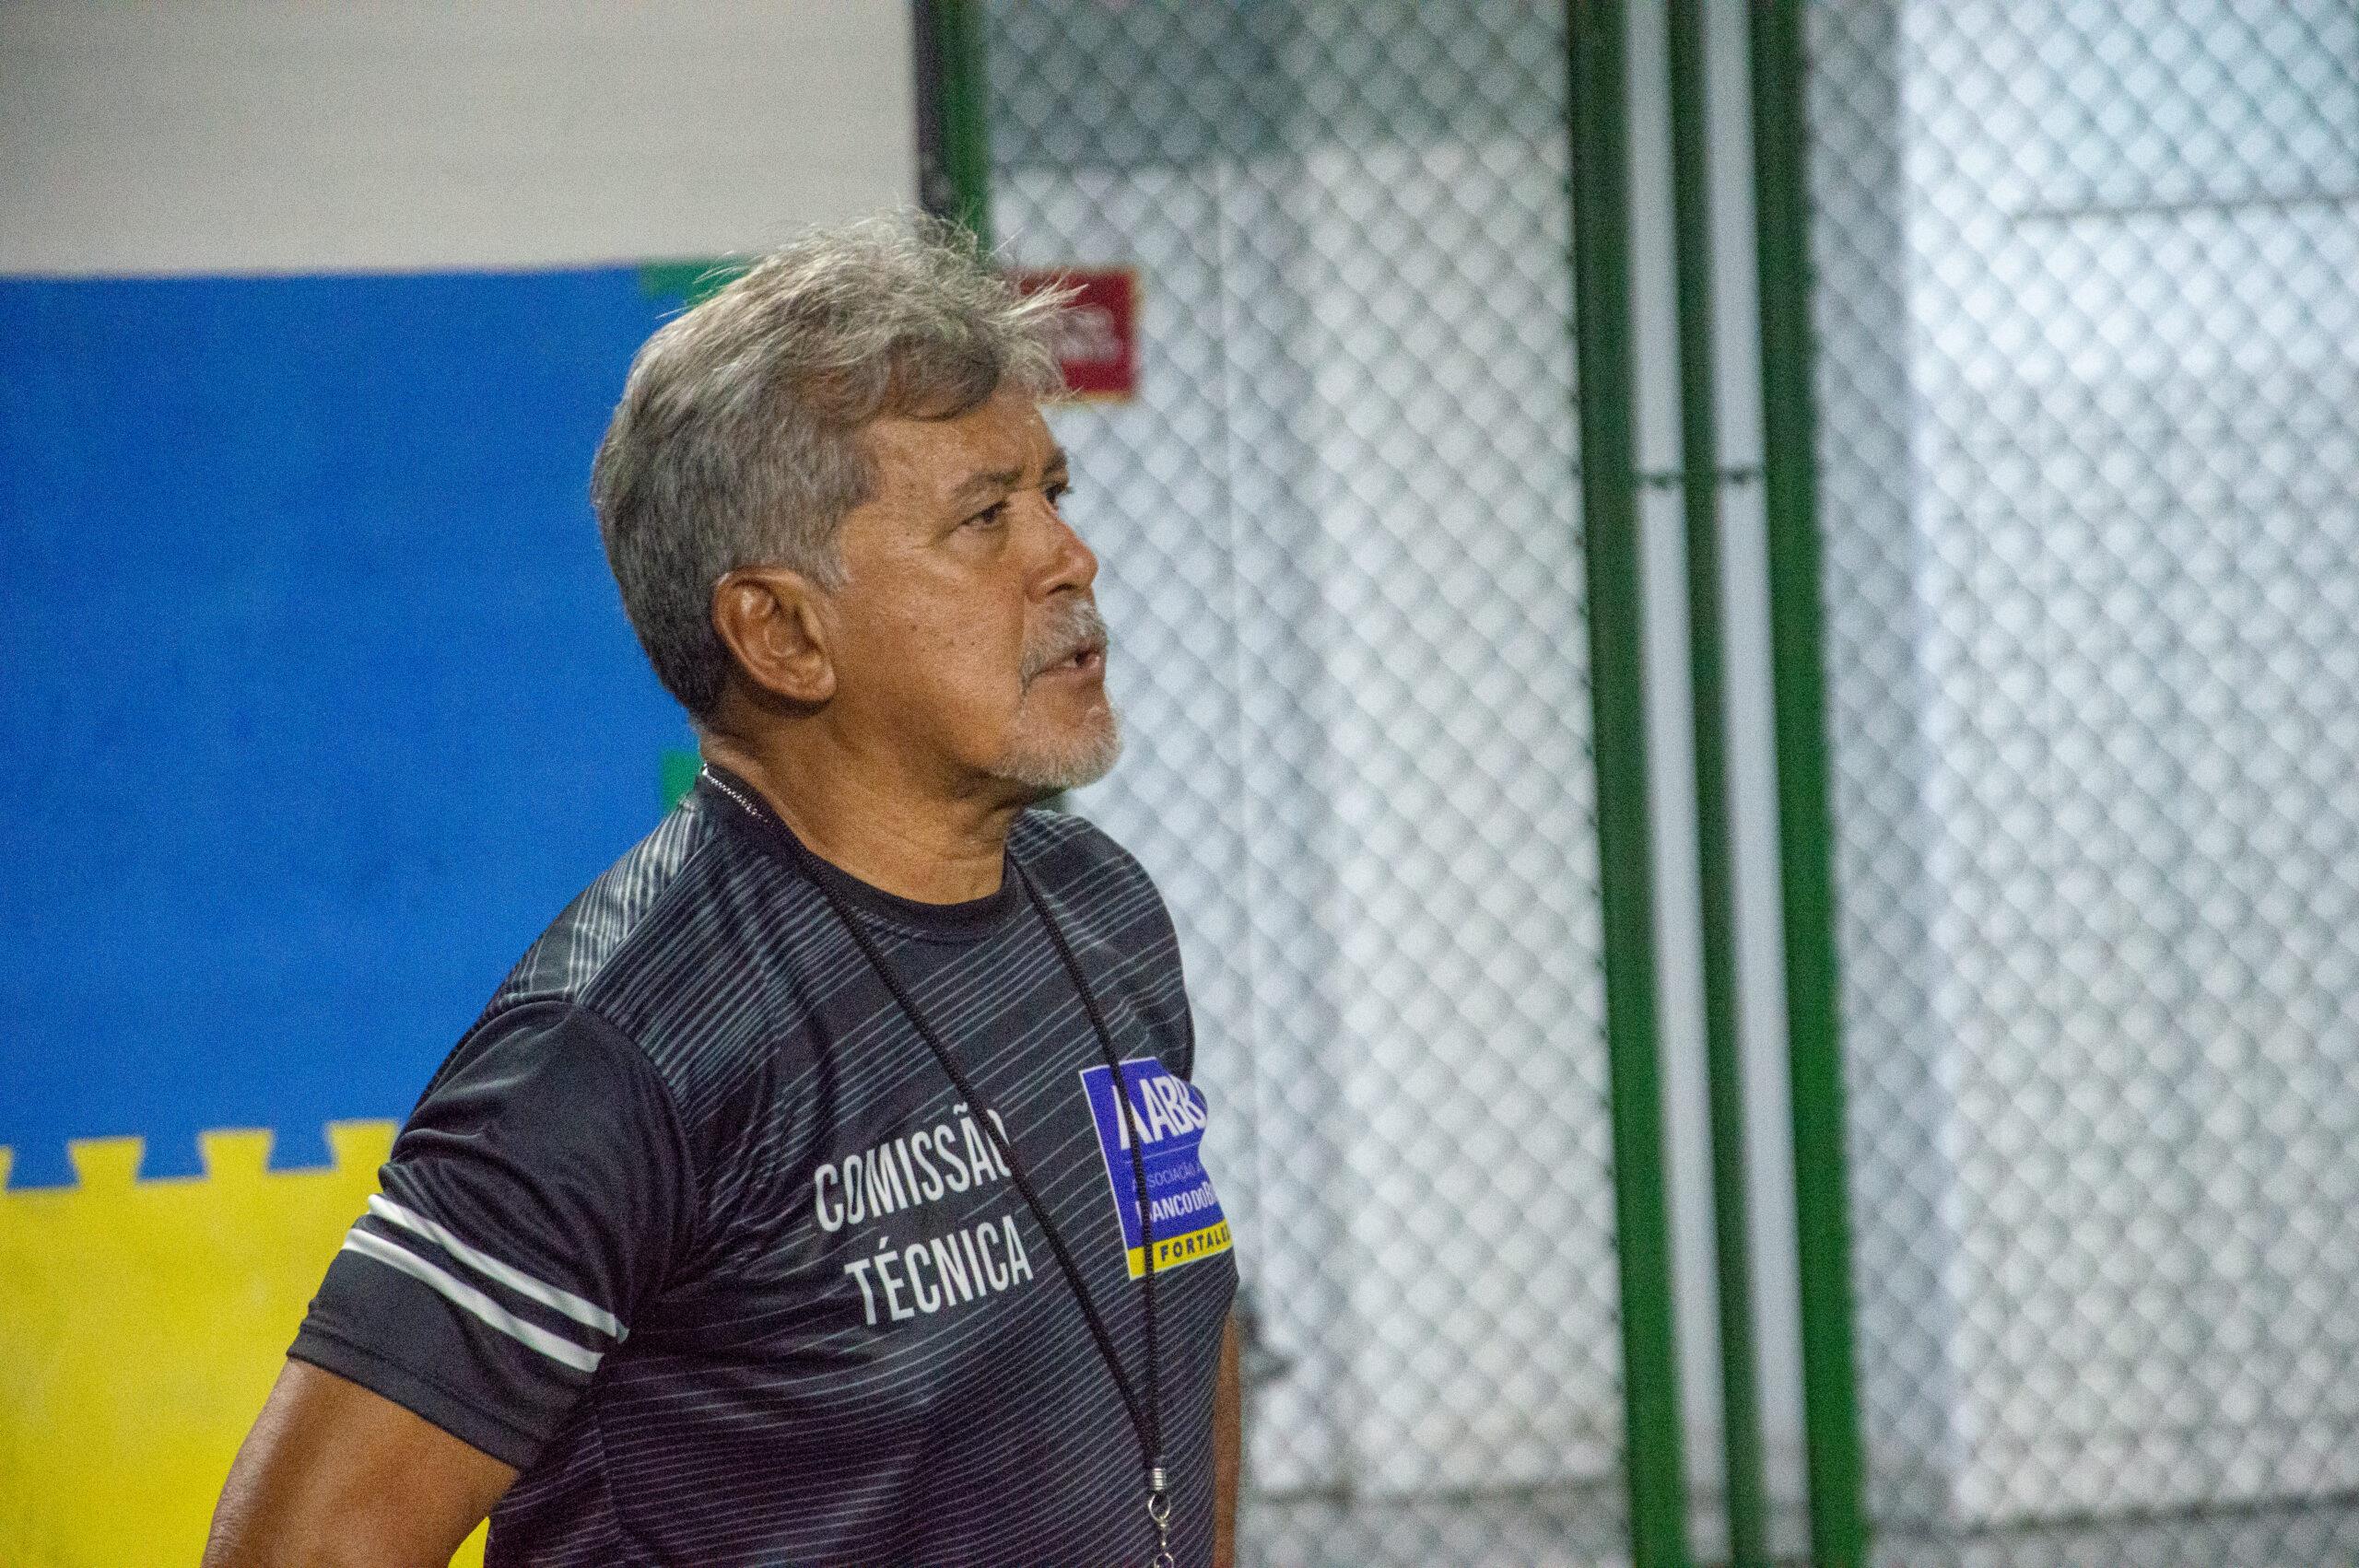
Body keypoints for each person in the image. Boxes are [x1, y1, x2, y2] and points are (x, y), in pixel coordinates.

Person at [203, 214, 1241, 1568]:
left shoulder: (1104, 910)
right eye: (986, 518)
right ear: (782, 632)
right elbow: (301, 1546)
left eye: (1055, 492)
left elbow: (1179, 1320)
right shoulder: (606, 1059)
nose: (1069, 556)